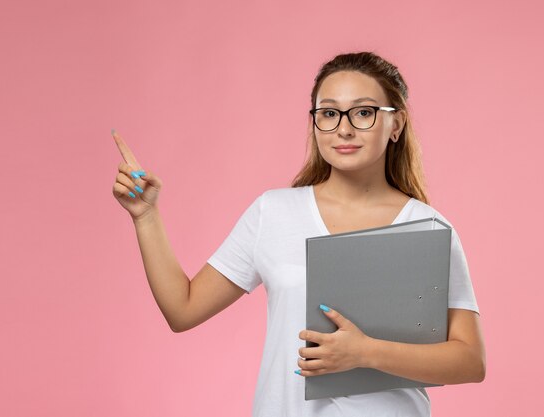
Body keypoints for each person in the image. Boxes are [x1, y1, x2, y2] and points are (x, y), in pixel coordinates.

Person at [112, 51, 486, 417]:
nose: (344, 128)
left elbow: (469, 360)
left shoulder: (428, 228)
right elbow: (183, 309)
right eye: (328, 113)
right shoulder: (273, 212)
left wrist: (364, 352)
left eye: (364, 112)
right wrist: (146, 217)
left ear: (396, 125)